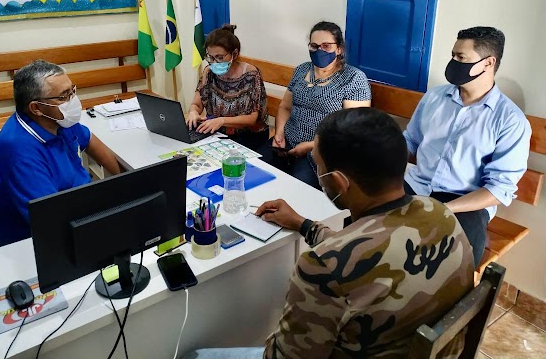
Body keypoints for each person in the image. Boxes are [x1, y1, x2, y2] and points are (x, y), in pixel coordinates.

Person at [182, 108, 474, 359]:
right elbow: (371, 250)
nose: (318, 174)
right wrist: (303, 224)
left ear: (337, 181)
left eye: (318, 166)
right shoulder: (439, 212)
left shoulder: (323, 265)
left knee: (195, 355)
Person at [404, 26, 531, 266]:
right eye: (453, 55)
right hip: (417, 185)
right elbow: (410, 139)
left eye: (461, 58)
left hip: (464, 201)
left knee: (452, 265)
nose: (453, 62)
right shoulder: (434, 97)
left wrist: (445, 209)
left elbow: (498, 189)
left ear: (488, 63)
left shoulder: (510, 120)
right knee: (365, 224)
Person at [0, 60, 121, 248]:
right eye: (64, 96)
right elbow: (51, 222)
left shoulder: (59, 121)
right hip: (37, 244)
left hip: (77, 207)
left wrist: (124, 181)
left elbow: (89, 140)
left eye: (72, 91)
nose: (73, 101)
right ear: (36, 108)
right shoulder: (20, 152)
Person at [258, 21, 371, 189]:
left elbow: (353, 130)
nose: (319, 51)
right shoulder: (302, 70)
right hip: (286, 142)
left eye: (326, 46)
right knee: (254, 170)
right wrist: (279, 133)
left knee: (295, 190)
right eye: (314, 46)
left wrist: (311, 146)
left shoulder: (353, 78)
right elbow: (285, 107)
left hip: (323, 151)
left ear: (338, 48)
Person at [186, 24, 269, 150]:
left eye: (219, 57)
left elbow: (252, 119)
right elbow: (196, 104)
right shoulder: (208, 72)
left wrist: (222, 120)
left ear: (234, 54)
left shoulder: (251, 74)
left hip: (249, 135)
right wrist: (192, 112)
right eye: (210, 57)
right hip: (217, 132)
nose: (214, 62)